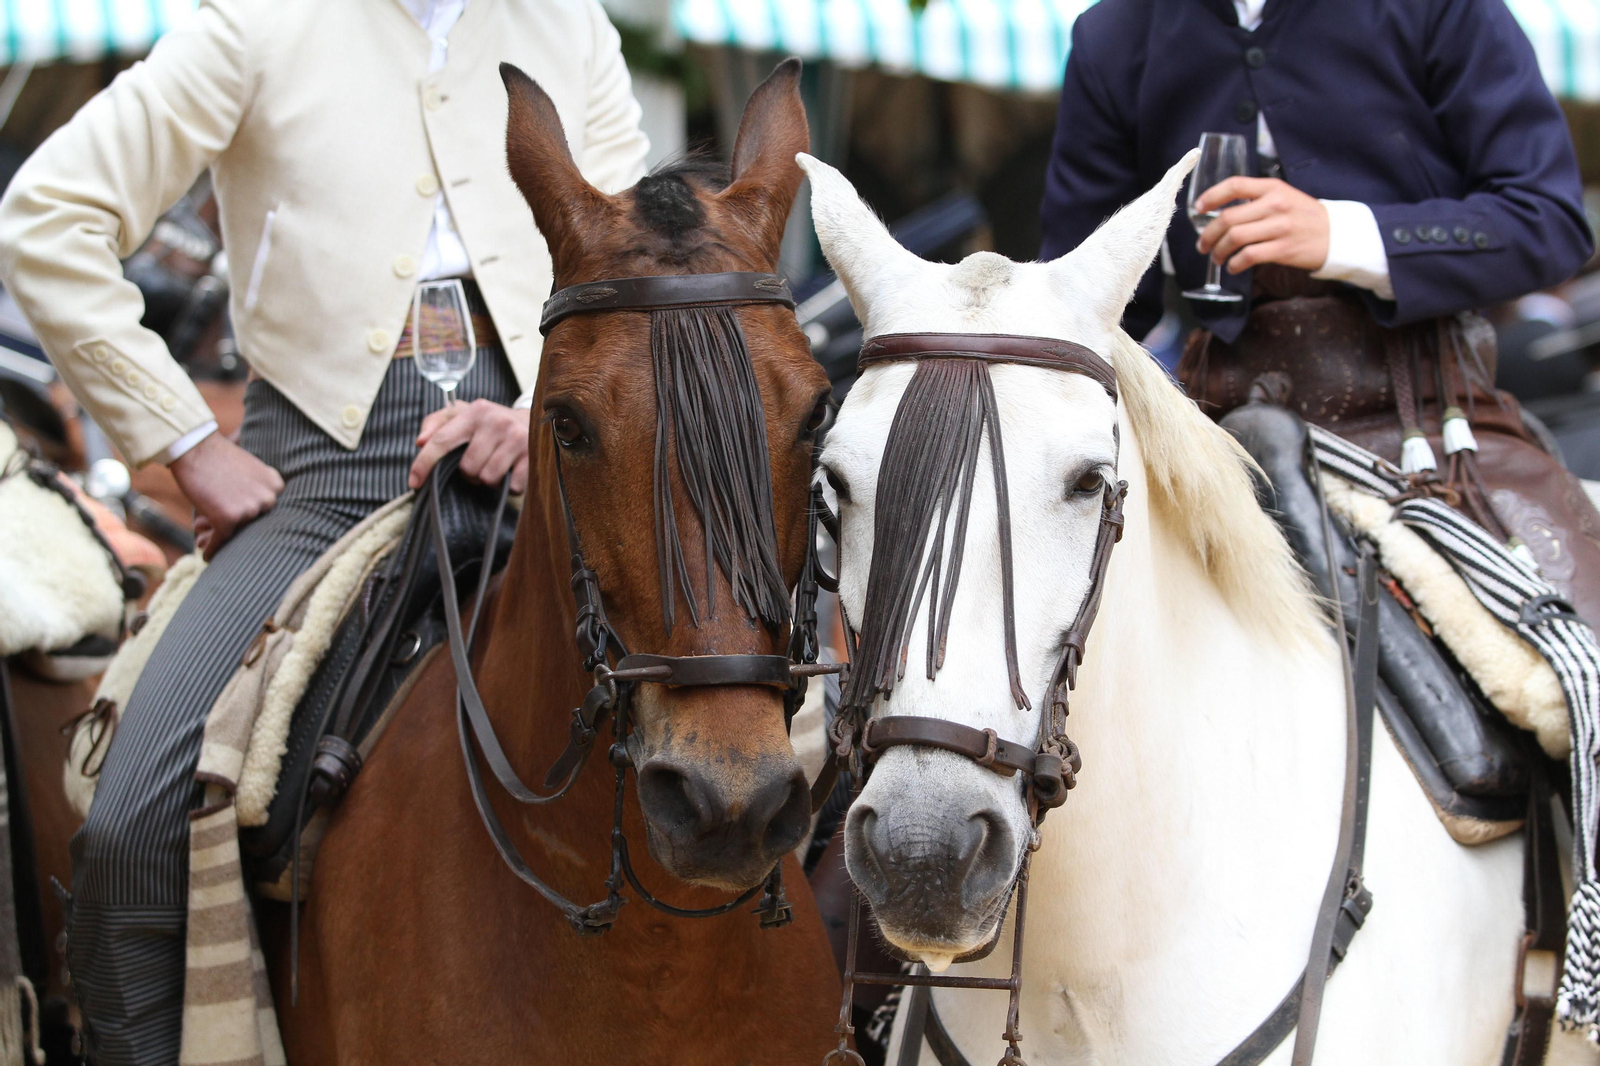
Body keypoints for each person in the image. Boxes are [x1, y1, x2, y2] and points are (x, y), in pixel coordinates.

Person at [0, 0, 649, 1060]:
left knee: (771, 737)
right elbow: (47, 215)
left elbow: (636, 268)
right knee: (130, 820)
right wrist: (181, 439)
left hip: (560, 463)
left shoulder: (568, 23)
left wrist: (544, 412)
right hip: (323, 479)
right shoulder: (251, 23)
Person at [1039, 0, 1600, 630]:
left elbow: (1547, 221)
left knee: (1578, 662)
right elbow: (1078, 301)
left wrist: (1343, 235)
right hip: (1217, 441)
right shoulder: (1113, 32)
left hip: (1434, 422)